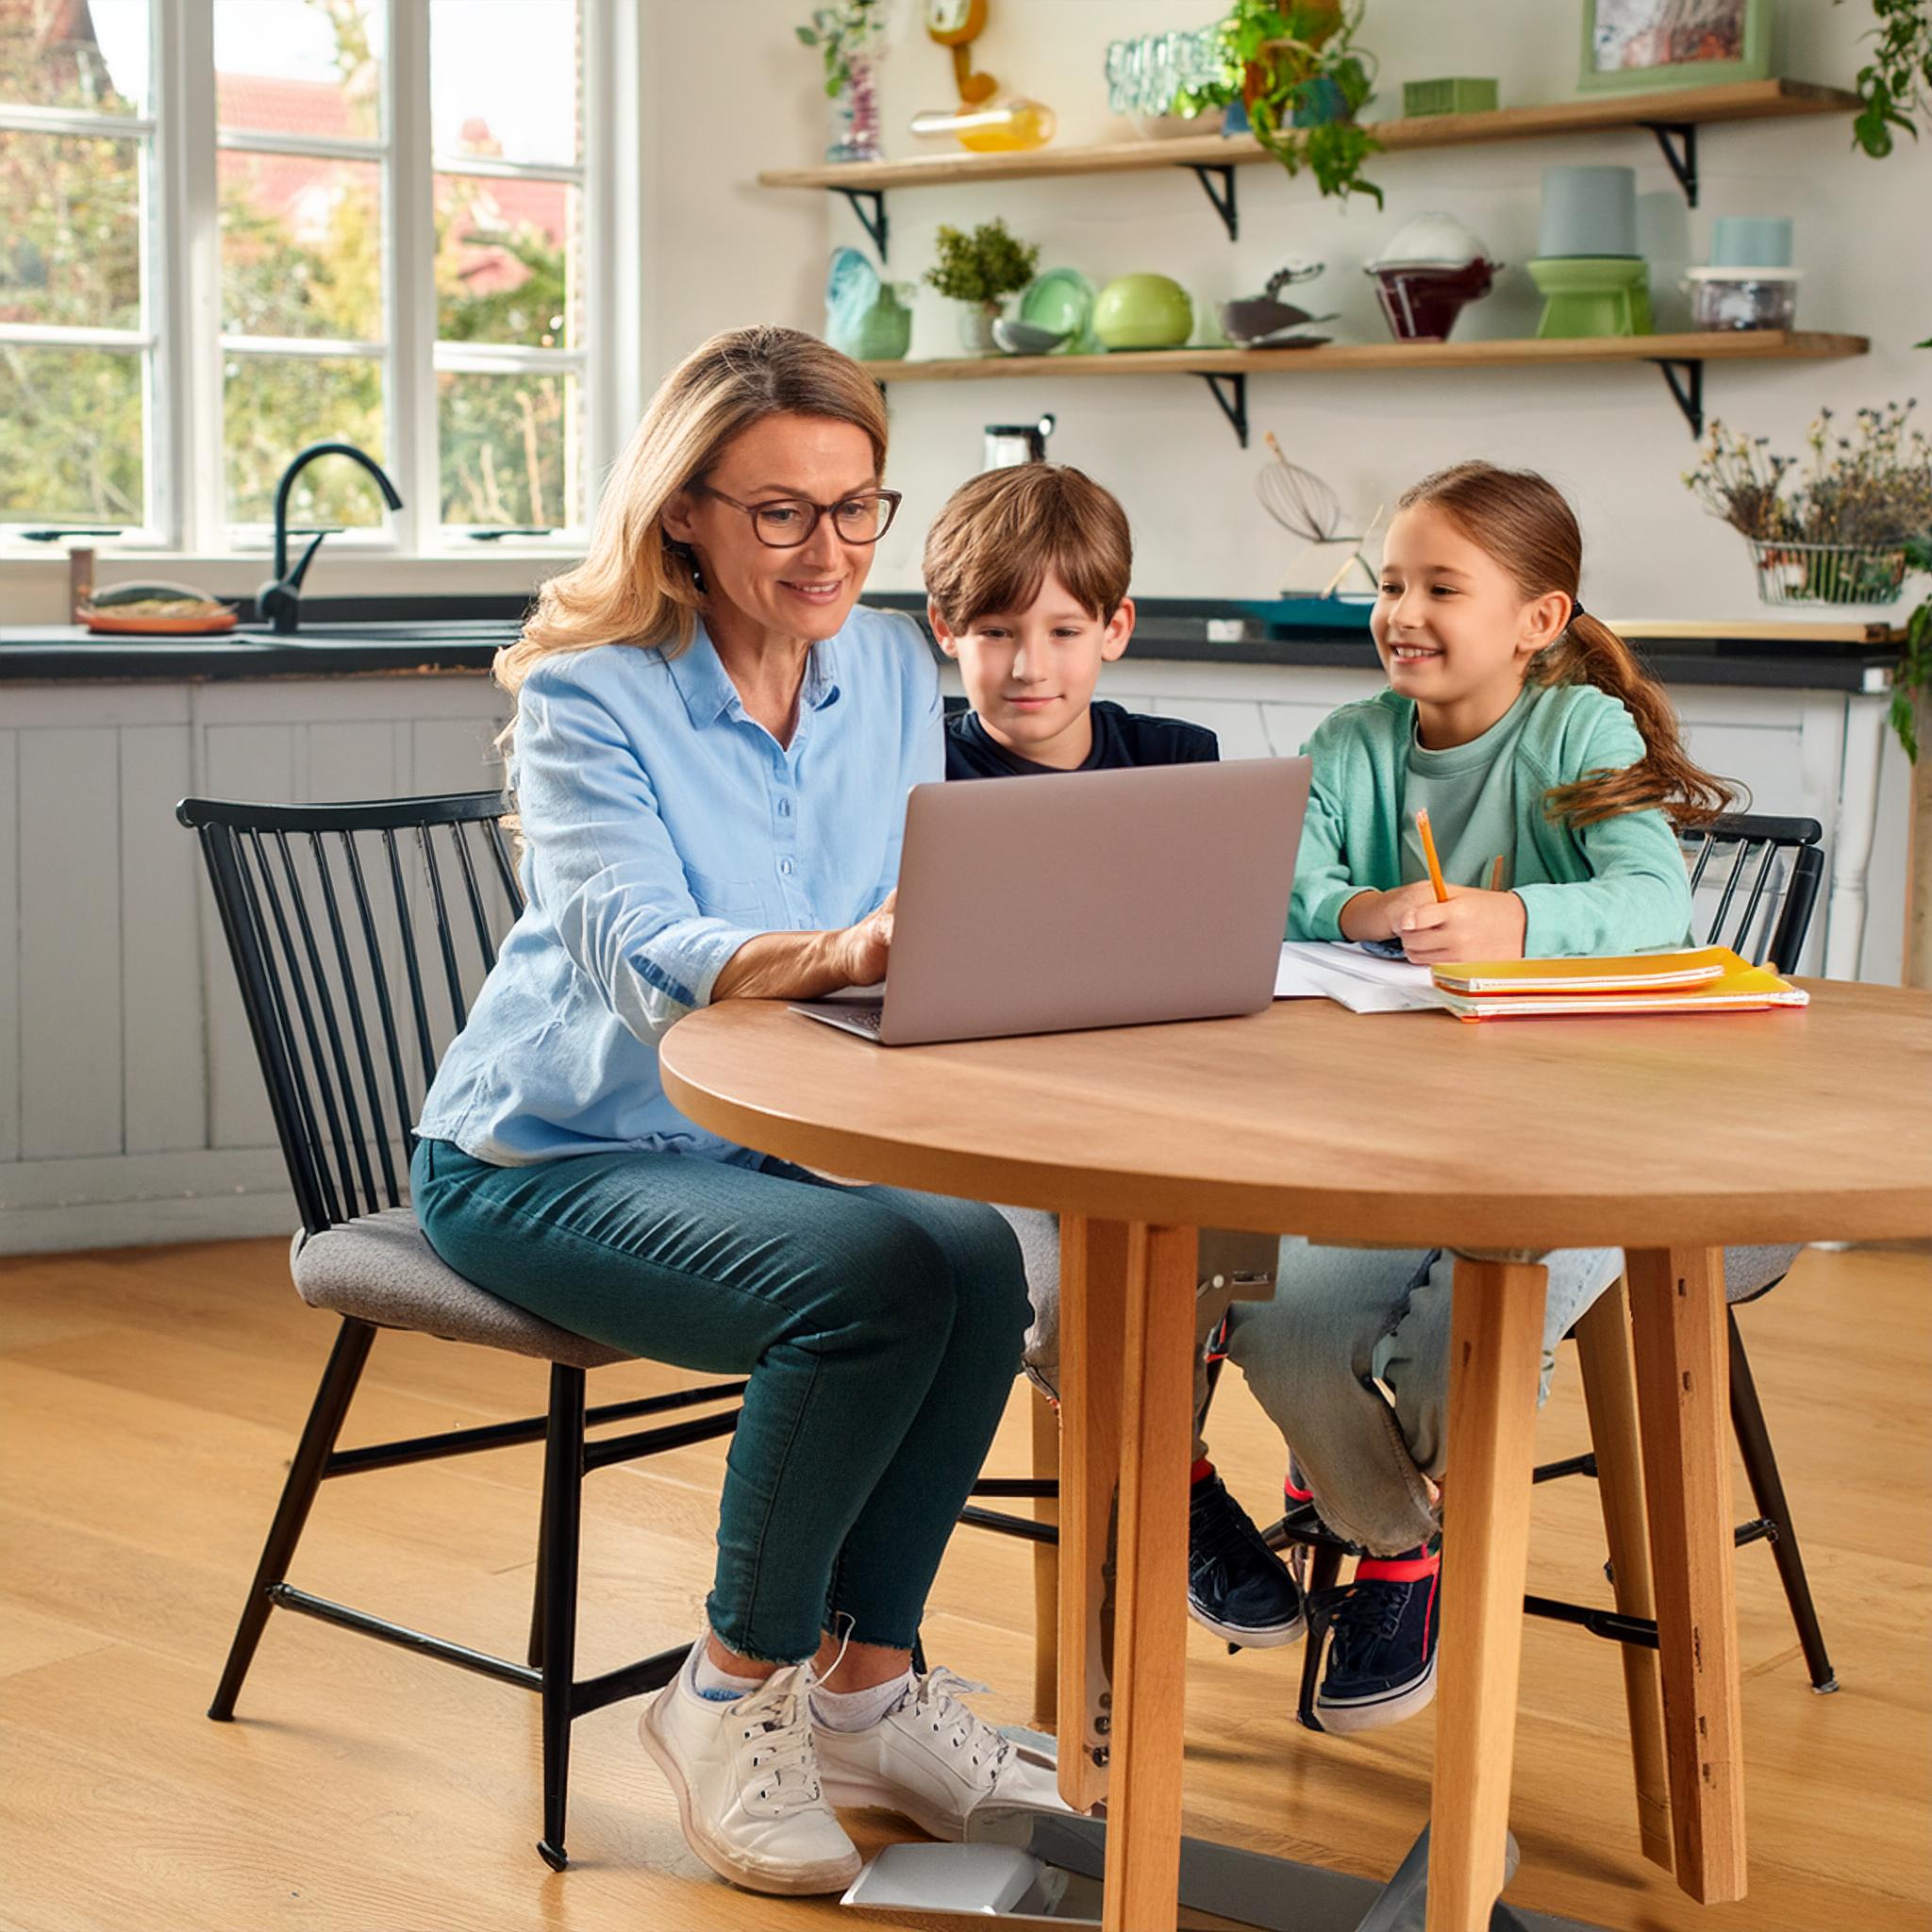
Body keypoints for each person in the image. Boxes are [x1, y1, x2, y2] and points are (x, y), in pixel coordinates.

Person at [408, 325, 1058, 1899]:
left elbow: (914, 904)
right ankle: (719, 1689)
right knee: (876, 1282)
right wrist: (842, 950)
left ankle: (863, 1690)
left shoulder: (893, 666)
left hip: (769, 1147)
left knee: (977, 1249)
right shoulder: (589, 697)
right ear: (684, 512)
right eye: (780, 512)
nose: (827, 549)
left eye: (855, 508)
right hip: (543, 1156)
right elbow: (638, 953)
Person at [1216, 459, 1761, 1734]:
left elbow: (1654, 903)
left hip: (1587, 1145)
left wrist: (1513, 915)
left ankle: (1376, 1530)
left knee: (1451, 1348)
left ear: (1538, 619)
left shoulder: (1578, 733)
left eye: (1439, 586)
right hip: (1388, 1137)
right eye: (1389, 583)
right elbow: (1280, 887)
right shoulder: (1351, 744)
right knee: (1278, 1327)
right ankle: (1396, 1539)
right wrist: (1364, 906)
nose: (1401, 610)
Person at [924, 461, 1307, 1654]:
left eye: (1060, 630)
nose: (1027, 665)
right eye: (993, 631)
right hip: (981, 1126)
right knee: (1066, 1277)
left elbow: (1221, 944)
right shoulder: (920, 772)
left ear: (1115, 630)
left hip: (1159, 1113)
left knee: (1260, 1242)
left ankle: (1271, 1475)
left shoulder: (1176, 757)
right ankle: (1174, 1482)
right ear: (947, 632)